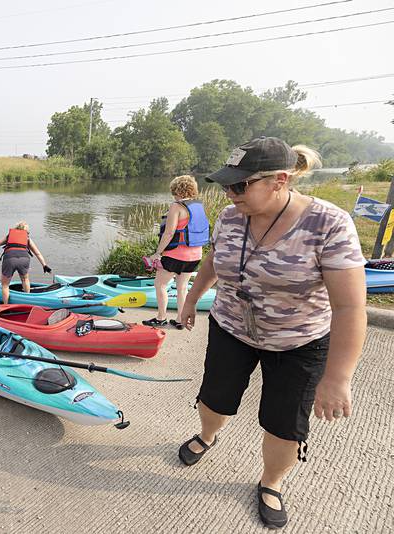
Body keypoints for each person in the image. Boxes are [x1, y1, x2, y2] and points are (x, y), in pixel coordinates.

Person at [177, 137, 366, 529]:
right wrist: (193, 298)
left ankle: (271, 482)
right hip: (231, 327)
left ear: (280, 180)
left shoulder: (328, 224)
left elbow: (349, 307)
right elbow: (215, 258)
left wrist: (338, 378)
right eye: (226, 185)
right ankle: (208, 435)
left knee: (284, 423)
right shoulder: (232, 216)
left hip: (298, 341)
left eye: (240, 185)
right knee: (214, 398)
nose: (230, 194)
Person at [143, 175, 209, 329]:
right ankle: (180, 320)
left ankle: (161, 318)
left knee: (160, 284)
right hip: (195, 256)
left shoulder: (177, 206)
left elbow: (168, 233)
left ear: (177, 190)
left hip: (175, 255)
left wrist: (157, 253)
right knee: (182, 288)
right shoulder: (199, 206)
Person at [0, 221, 51, 304]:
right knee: (25, 279)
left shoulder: (9, 236)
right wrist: (44, 265)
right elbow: (37, 253)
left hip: (10, 259)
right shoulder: (27, 238)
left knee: (5, 285)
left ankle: (6, 305)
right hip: (24, 259)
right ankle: (28, 301)